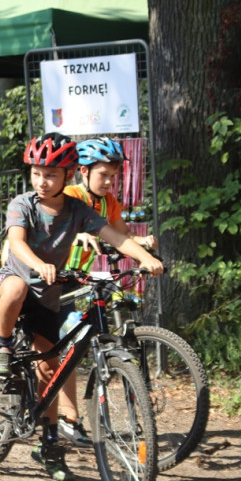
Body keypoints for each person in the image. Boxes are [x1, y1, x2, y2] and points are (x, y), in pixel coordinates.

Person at [0, 133, 163, 481]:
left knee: (51, 369)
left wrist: (145, 258)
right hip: (17, 282)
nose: (42, 181)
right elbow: (16, 242)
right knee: (16, 285)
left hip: (48, 296)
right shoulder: (23, 203)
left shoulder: (78, 209)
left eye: (51, 175)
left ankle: (50, 445)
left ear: (68, 176)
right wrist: (38, 264)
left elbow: (116, 237)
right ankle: (2, 346)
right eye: (37, 173)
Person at [54, 137, 158, 445]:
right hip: (49, 277)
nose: (111, 181)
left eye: (114, 175)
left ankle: (67, 415)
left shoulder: (108, 202)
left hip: (77, 281)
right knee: (66, 344)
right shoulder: (69, 195)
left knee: (76, 341)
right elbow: (58, 226)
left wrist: (144, 247)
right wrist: (78, 234)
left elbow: (121, 234)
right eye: (104, 175)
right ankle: (67, 418)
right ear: (83, 172)